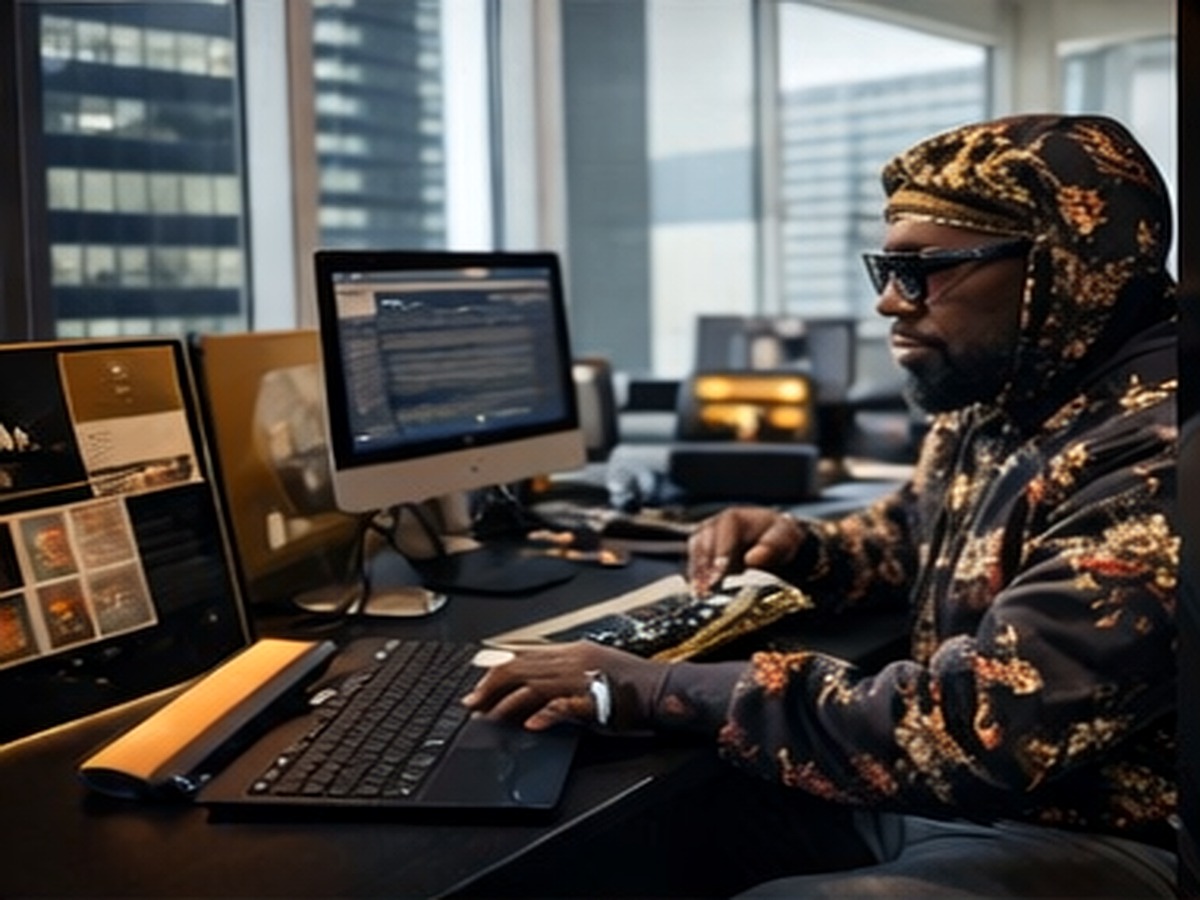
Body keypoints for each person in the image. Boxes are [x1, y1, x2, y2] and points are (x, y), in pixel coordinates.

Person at [464, 114, 1180, 897]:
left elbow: (982, 725)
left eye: (926, 269)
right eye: (887, 267)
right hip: (968, 803)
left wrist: (654, 688)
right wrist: (804, 547)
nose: (890, 304)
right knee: (633, 847)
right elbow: (920, 530)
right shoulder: (1013, 393)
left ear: (1065, 267)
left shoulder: (1162, 452)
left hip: (1102, 832)